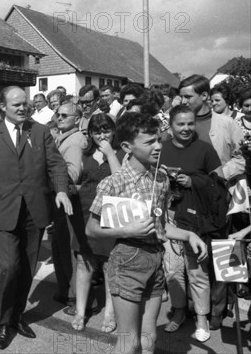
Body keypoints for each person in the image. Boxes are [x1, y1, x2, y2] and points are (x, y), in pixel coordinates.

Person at [86, 112, 208, 354]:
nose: (157, 146)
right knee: (128, 341)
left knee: (149, 337)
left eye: (158, 140)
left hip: (155, 259)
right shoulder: (114, 183)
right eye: (149, 142)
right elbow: (91, 229)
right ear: (126, 146)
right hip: (127, 259)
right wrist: (126, 229)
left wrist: (188, 235)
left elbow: (161, 226)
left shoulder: (160, 179)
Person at [0, 86, 72, 350]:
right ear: (3, 107)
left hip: (35, 212)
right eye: (15, 104)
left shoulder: (39, 132)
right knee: (8, 267)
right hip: (4, 212)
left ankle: (17, 316)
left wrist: (61, 190)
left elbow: (56, 165)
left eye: (24, 104)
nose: (22, 108)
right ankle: (4, 322)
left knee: (28, 267)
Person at [179, 74, 244, 329]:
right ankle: (197, 307)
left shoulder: (227, 123)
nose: (182, 100)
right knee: (193, 256)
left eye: (188, 96)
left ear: (205, 96)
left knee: (224, 253)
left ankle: (219, 308)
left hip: (221, 199)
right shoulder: (181, 123)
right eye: (181, 96)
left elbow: (242, 157)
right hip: (189, 199)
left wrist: (219, 173)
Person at [160, 105, 223, 342]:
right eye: (180, 124)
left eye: (190, 123)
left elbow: (219, 182)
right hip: (168, 216)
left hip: (196, 219)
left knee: (197, 271)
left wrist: (193, 182)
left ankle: (201, 318)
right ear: (171, 125)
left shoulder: (205, 150)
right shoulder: (162, 149)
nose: (186, 128)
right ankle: (178, 312)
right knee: (173, 269)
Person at [70, 114, 124, 332]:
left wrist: (110, 153)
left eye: (106, 130)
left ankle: (110, 313)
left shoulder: (122, 153)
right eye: (97, 131)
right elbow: (78, 180)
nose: (102, 135)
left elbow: (121, 179)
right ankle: (81, 311)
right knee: (84, 261)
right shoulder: (85, 154)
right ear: (90, 133)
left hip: (112, 214)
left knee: (109, 264)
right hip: (85, 213)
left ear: (113, 131)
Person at [54, 103, 88, 311]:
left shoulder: (74, 142)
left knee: (68, 249)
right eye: (58, 114)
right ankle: (66, 291)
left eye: (65, 115)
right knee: (60, 248)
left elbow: (73, 174)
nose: (59, 118)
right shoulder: (65, 137)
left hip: (68, 200)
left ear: (77, 119)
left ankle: (75, 297)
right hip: (62, 200)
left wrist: (51, 174)